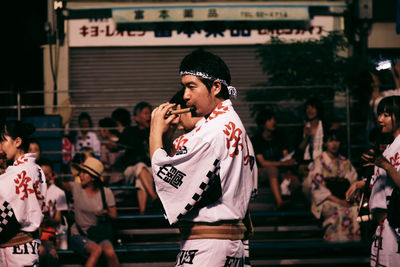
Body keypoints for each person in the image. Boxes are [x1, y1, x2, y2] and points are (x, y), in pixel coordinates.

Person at [150, 49, 257, 266]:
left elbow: (168, 177)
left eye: (191, 86)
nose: (186, 95)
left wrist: (154, 132)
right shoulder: (230, 123)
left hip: (210, 244)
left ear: (216, 87)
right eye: (184, 88)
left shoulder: (212, 131)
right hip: (224, 242)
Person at [346, 96, 400, 266]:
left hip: (395, 226)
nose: (380, 119)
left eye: (385, 115)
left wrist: (386, 166)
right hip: (382, 227)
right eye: (379, 114)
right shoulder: (391, 146)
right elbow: (386, 185)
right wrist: (361, 184)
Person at [0, 120, 47, 266]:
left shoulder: (15, 173)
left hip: (14, 248)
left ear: (17, 141)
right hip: (30, 245)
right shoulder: (37, 169)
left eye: (2, 141)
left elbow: (8, 215)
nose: (0, 147)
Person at [303, 129, 360, 242]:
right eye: (331, 141)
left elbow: (353, 181)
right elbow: (317, 188)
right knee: (339, 210)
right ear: (325, 143)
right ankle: (335, 244)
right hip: (326, 200)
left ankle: (350, 245)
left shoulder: (345, 162)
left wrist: (348, 198)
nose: (334, 144)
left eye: (337, 141)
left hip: (344, 197)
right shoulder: (319, 161)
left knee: (354, 210)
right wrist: (339, 201)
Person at [63, 157, 119, 267]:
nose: (80, 175)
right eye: (81, 172)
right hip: (79, 234)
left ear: (93, 178)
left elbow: (114, 215)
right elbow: (64, 185)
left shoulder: (106, 192)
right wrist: (55, 179)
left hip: (98, 234)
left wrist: (105, 213)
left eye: (85, 173)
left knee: (110, 253)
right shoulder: (77, 188)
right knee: (96, 250)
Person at [116, 103, 159, 214]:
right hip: (130, 171)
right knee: (140, 166)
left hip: (149, 171)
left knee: (140, 179)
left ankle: (142, 212)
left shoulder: (154, 132)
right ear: (136, 117)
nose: (148, 116)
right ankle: (154, 197)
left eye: (150, 113)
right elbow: (118, 148)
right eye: (145, 113)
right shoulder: (129, 132)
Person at [251, 109, 297, 209]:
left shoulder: (279, 136)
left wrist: (288, 167)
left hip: (279, 169)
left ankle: (291, 206)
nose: (273, 122)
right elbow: (263, 163)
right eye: (270, 120)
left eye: (274, 119)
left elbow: (286, 157)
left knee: (294, 179)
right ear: (263, 124)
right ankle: (279, 202)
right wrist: (283, 164)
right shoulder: (257, 140)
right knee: (272, 170)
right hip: (262, 172)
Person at [37, 158, 68, 267]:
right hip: (33, 233)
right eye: (42, 173)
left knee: (51, 255)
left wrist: (49, 219)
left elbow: (58, 219)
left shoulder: (59, 192)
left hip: (50, 233)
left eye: (47, 174)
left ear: (52, 174)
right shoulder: (31, 190)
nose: (45, 177)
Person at [98, 117, 124, 185]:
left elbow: (106, 166)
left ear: (106, 130)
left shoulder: (104, 147)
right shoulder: (123, 142)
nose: (99, 133)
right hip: (125, 179)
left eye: (100, 130)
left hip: (112, 181)